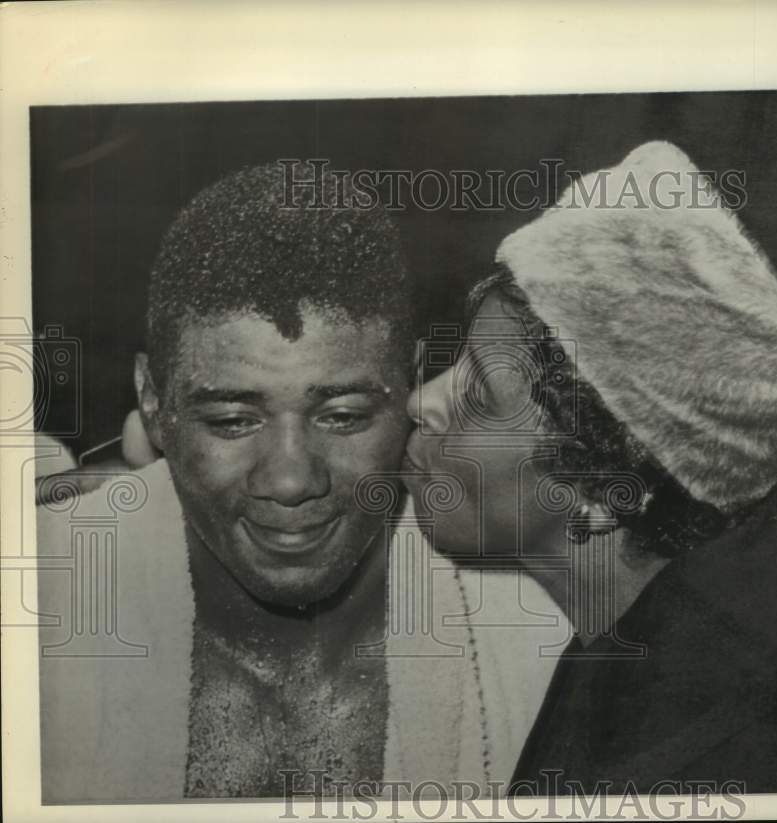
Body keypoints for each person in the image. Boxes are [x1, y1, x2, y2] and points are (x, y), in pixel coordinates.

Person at [36, 163, 564, 802]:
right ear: (153, 404)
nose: (290, 480)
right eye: (233, 420)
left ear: (410, 387)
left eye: (343, 416)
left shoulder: (538, 632)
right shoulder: (43, 603)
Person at [403, 141, 777, 793]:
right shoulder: (705, 606)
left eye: (478, 395)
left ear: (603, 493)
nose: (419, 400)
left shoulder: (711, 749)